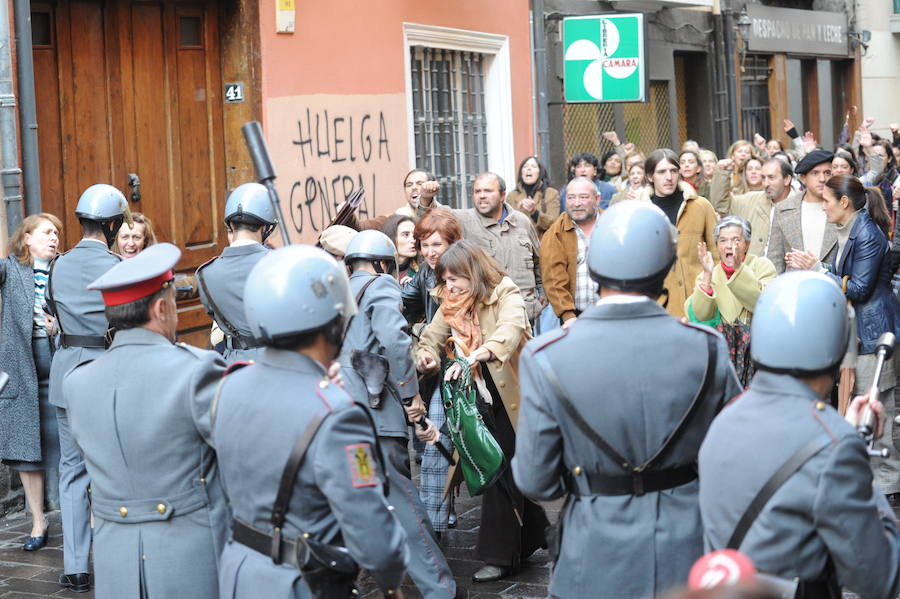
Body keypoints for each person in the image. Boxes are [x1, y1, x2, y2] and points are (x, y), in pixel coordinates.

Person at [513, 201, 742, 599]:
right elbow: (736, 458)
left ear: (595, 266)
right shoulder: (707, 348)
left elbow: (538, 481)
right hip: (686, 550)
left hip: (594, 552)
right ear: (666, 266)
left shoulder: (547, 355)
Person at [214, 245, 409, 598]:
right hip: (302, 582)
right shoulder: (338, 416)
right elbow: (375, 538)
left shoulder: (230, 384)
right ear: (333, 323)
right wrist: (391, 575)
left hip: (238, 572)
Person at [698, 271, 900, 598]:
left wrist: (840, 439)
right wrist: (854, 453)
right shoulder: (834, 445)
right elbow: (880, 576)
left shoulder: (723, 421)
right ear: (836, 346)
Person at [60, 243, 228, 598]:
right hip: (188, 557)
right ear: (162, 307)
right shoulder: (198, 371)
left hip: (114, 563)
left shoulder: (76, 382)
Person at [416, 240, 549, 583]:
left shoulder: (504, 290)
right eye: (445, 279)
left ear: (472, 272)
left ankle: (501, 556)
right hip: (476, 394)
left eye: (455, 277)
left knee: (498, 468)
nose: (451, 285)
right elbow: (432, 335)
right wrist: (427, 355)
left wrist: (482, 352)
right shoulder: (449, 301)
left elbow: (511, 328)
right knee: (498, 467)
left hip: (513, 393)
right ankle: (535, 534)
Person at [339, 230, 459, 599]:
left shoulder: (335, 292)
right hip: (380, 421)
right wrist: (412, 400)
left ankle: (350, 580)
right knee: (403, 503)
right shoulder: (381, 287)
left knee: (365, 494)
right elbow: (394, 341)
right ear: (381, 264)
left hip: (349, 423)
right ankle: (440, 590)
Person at [791, 175, 900, 502]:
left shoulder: (865, 232)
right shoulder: (851, 228)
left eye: (827, 200)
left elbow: (859, 288)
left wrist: (819, 270)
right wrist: (821, 267)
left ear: (844, 202)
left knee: (877, 406)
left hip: (872, 333)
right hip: (859, 333)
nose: (822, 206)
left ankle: (889, 489)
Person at [46, 183, 126, 593]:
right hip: (106, 374)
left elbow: (54, 312)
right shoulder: (116, 265)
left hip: (66, 373)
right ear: (112, 224)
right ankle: (116, 560)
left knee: (72, 471)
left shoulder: (58, 265)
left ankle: (75, 566)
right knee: (113, 471)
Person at [0, 214, 62, 552]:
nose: (54, 238)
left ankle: (90, 517)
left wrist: (61, 326)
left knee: (73, 445)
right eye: (47, 232)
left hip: (61, 367)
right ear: (26, 238)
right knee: (27, 451)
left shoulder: (64, 270)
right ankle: (38, 520)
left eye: (57, 233)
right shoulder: (10, 270)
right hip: (21, 373)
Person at [400, 207, 463, 532]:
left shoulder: (466, 269)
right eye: (424, 244)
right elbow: (405, 305)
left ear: (453, 243)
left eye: (436, 244)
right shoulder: (425, 273)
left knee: (468, 446)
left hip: (469, 368)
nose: (429, 252)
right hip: (436, 368)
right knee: (435, 442)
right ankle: (435, 521)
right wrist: (418, 335)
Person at [417, 172, 544, 323]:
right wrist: (426, 198)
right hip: (486, 320)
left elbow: (539, 262)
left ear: (503, 195)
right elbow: (433, 217)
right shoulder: (464, 220)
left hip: (525, 317)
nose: (482, 196)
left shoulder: (522, 222)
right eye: (477, 191)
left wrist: (542, 296)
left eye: (488, 191)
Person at [688, 216, 776, 386]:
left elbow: (761, 303)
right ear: (717, 245)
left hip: (757, 352)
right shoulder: (709, 273)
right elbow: (701, 314)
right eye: (723, 240)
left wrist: (739, 270)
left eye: (736, 240)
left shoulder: (761, 266)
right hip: (723, 355)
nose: (729, 246)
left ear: (747, 244)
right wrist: (706, 275)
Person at [634, 149, 718, 319]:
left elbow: (717, 253)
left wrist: (711, 288)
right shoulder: (638, 212)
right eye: (662, 172)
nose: (669, 177)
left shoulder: (700, 206)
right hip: (659, 305)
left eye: (673, 171)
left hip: (699, 300)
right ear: (650, 176)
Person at [196, 182, 274, 364]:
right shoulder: (281, 263)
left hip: (234, 366)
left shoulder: (205, 274)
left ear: (230, 225)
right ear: (265, 227)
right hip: (278, 363)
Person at [540, 176, 600, 326]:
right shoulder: (555, 233)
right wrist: (567, 316)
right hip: (575, 318)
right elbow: (553, 279)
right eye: (571, 197)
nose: (577, 203)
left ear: (597, 199)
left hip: (611, 315)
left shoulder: (612, 223)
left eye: (584, 197)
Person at [766, 150, 838, 273]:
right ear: (803, 178)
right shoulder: (783, 208)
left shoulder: (842, 206)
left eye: (827, 173)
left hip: (831, 286)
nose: (822, 179)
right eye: (815, 173)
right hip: (794, 287)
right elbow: (775, 259)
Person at [710, 158, 797, 257]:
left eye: (771, 177)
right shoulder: (752, 200)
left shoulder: (801, 203)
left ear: (787, 180)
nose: (766, 183)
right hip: (756, 269)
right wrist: (722, 172)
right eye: (763, 178)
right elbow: (721, 205)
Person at [506, 156, 560, 237]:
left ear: (540, 172)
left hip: (543, 246)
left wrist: (534, 213)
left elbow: (555, 225)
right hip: (519, 245)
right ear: (521, 172)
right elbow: (506, 225)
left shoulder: (551, 193)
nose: (529, 169)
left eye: (533, 166)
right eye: (525, 166)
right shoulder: (512, 196)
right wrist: (518, 212)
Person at [381, 213, 418, 282]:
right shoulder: (378, 270)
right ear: (391, 237)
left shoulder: (422, 269)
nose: (413, 240)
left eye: (415, 234)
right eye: (406, 235)